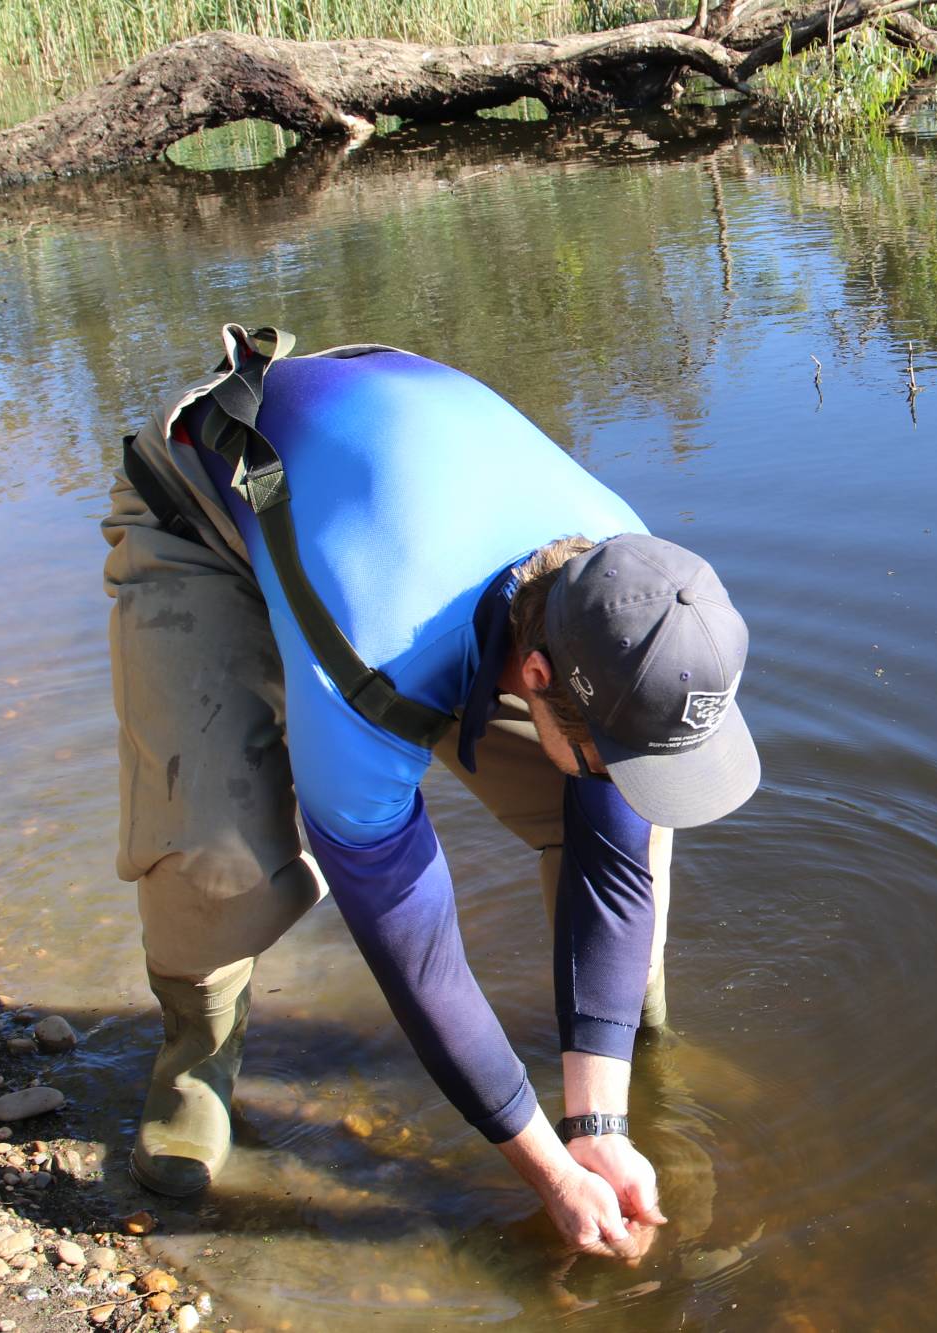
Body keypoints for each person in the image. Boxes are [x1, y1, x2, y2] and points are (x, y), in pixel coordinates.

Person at [100, 325, 759, 1258]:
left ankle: (620, 1049)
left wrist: (598, 1128)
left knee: (626, 824)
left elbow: (613, 863)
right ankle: (194, 1055)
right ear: (533, 672)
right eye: (612, 748)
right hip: (211, 511)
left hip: (383, 488)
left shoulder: (633, 593)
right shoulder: (368, 665)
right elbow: (417, 954)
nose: (626, 768)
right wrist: (549, 1171)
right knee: (218, 856)